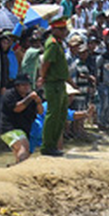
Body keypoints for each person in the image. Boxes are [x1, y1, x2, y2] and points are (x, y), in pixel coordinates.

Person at [38, 17, 69, 157]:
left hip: (60, 83)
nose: (64, 32)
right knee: (53, 114)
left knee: (61, 114)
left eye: (65, 29)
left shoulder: (59, 43)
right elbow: (46, 63)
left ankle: (54, 144)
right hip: (53, 83)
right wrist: (42, 77)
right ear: (54, 29)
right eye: (61, 29)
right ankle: (47, 146)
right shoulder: (52, 43)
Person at [0, 74, 43, 165]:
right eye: (23, 85)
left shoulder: (31, 96)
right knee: (23, 147)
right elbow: (17, 108)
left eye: (28, 85)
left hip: (24, 130)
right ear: (17, 86)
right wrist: (30, 98)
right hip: (9, 129)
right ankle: (20, 170)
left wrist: (38, 102)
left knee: (23, 152)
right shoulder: (10, 94)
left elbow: (40, 112)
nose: (26, 87)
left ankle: (14, 169)